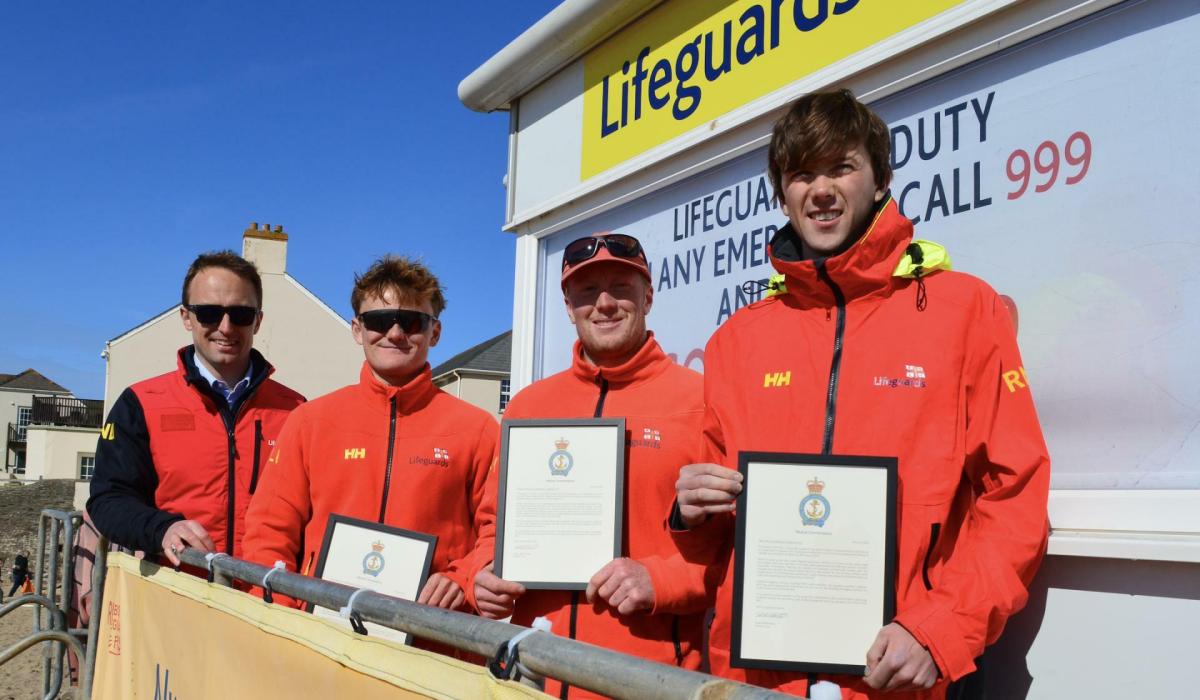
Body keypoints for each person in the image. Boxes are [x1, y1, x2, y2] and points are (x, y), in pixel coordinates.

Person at [674, 89, 1050, 698]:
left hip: (895, 676)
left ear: (879, 182)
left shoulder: (963, 309)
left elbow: (1015, 494)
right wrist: (690, 512)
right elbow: (715, 530)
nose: (820, 189)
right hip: (757, 677)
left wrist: (941, 629)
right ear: (783, 194)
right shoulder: (736, 341)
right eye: (801, 174)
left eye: (841, 167)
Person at [471, 233, 715, 698]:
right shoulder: (528, 407)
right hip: (533, 672)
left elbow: (732, 547)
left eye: (620, 287)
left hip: (648, 674)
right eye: (586, 290)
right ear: (568, 304)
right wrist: (483, 572)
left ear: (648, 296)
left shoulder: (700, 400)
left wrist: (660, 580)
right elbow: (492, 525)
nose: (604, 303)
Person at [242, 256, 498, 614]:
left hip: (432, 636)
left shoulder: (479, 429)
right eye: (379, 321)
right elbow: (269, 531)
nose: (394, 333)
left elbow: (498, 532)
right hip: (320, 630)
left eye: (411, 322)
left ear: (434, 332)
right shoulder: (310, 421)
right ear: (357, 329)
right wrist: (282, 612)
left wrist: (463, 577)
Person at [88, 251, 305, 566]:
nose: (226, 327)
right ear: (186, 317)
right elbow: (108, 500)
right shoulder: (141, 402)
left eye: (241, 314)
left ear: (258, 321)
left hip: (265, 600)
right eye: (209, 313)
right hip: (176, 594)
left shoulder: (297, 410)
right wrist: (162, 529)